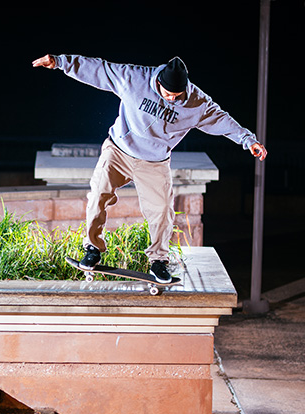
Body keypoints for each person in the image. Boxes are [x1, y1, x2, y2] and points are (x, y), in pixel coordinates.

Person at [32, 54, 267, 282]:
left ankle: (158, 261)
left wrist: (248, 140)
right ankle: (93, 248)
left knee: (162, 210)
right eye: (168, 94)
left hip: (154, 162)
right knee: (97, 195)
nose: (172, 99)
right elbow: (99, 69)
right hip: (118, 150)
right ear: (158, 83)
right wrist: (60, 62)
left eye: (177, 95)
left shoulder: (196, 101)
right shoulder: (134, 78)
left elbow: (221, 119)